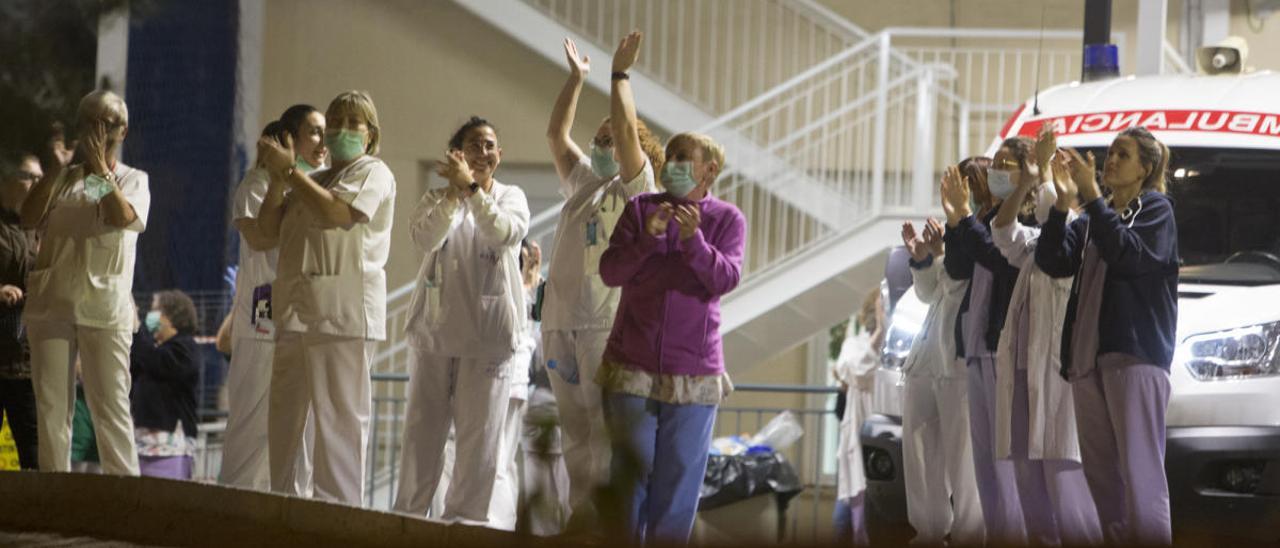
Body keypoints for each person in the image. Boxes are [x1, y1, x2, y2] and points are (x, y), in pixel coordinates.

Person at [597, 128, 745, 543]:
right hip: (631, 367)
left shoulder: (727, 219)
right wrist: (648, 239)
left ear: (709, 170)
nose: (672, 164)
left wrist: (693, 240)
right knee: (628, 482)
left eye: (684, 157)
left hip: (695, 371)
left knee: (678, 489)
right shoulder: (641, 209)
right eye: (671, 156)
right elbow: (611, 272)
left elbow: (725, 278)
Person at [542, 32, 663, 528]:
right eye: (599, 137)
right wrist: (576, 80)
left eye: (611, 137)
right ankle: (580, 516)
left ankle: (610, 523)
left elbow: (628, 136)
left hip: (602, 323)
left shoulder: (638, 185)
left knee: (602, 426)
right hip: (559, 320)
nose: (601, 143)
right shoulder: (585, 182)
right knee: (573, 426)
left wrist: (619, 76)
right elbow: (555, 134)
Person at [1035, 126, 1178, 545]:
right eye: (1110, 152)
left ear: (1145, 169)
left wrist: (1093, 200)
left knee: (1141, 473)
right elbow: (1053, 261)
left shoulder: (1155, 209)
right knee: (1103, 479)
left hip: (1134, 357)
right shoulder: (1099, 217)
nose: (1111, 160)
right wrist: (1063, 205)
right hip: (1086, 361)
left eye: (1123, 154)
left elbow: (1128, 257)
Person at [257, 90, 397, 505]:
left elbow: (339, 214)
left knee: (338, 425)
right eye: (334, 120)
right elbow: (266, 232)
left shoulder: (374, 171)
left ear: (370, 135)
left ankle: (338, 519)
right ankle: (283, 507)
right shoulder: (313, 180)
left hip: (343, 314)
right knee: (284, 422)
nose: (340, 130)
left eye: (353, 122)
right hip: (296, 312)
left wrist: (293, 174)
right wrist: (279, 180)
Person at [393, 116, 529, 524]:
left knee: (480, 442)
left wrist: (471, 191)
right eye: (473, 145)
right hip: (433, 338)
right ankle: (408, 521)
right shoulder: (438, 199)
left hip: (488, 340)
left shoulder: (511, 197)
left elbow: (503, 233)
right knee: (421, 437)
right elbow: (423, 239)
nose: (483, 152)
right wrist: (454, 196)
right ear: (456, 155)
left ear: (500, 155)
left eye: (489, 145)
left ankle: (466, 524)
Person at [21, 90, 150, 475]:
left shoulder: (133, 180)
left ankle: (127, 502)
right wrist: (57, 171)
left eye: (105, 124)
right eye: (88, 123)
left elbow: (117, 215)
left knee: (110, 408)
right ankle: (56, 499)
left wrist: (98, 166)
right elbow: (28, 217)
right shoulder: (64, 179)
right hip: (52, 306)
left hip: (104, 309)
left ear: (122, 131)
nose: (96, 131)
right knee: (51, 411)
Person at [986, 127, 1102, 546]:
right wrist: (1031, 181)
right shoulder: (1037, 243)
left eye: (1060, 166)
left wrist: (1052, 181)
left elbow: (1056, 214)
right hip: (1020, 373)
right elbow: (1003, 232)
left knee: (1066, 489)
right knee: (1026, 479)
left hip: (1055, 376)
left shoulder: (1079, 233)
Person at [222, 107, 325, 493]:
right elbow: (261, 237)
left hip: (302, 317)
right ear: (287, 141)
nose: (323, 142)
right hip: (261, 318)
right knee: (252, 421)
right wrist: (283, 179)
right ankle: (237, 501)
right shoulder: (256, 184)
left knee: (301, 429)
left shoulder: (315, 186)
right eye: (313, 133)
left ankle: (293, 506)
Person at [940, 151, 1028, 544]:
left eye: (1005, 163)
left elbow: (997, 259)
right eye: (996, 164)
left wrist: (963, 218)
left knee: (1006, 462)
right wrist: (955, 219)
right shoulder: (987, 219)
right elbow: (959, 267)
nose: (996, 171)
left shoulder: (1025, 217)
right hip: (977, 344)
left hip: (1004, 345)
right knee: (985, 464)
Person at [899, 216, 986, 546]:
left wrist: (941, 254)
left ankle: (970, 536)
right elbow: (928, 293)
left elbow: (963, 285)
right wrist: (926, 259)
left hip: (959, 361)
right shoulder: (954, 239)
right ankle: (928, 533)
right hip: (925, 359)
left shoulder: (984, 230)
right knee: (920, 454)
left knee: (964, 461)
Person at [830, 288, 883, 546]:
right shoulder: (854, 345)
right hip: (857, 448)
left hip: (886, 448)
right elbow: (856, 371)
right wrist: (880, 332)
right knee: (846, 524)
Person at [131, 290, 201, 480]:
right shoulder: (156, 349)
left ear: (170, 318)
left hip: (170, 450)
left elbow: (155, 361)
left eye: (155, 311)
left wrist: (137, 327)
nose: (150, 316)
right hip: (142, 446)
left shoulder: (185, 349)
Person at [0, 151, 40, 470]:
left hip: (25, 358)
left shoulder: (38, 225)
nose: (36, 184)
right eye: (30, 177)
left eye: (41, 177)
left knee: (33, 448)